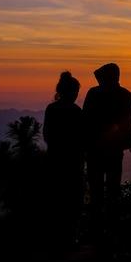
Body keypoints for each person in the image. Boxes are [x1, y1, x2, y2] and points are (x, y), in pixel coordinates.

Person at [82, 62, 131, 252]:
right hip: (114, 152)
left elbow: (85, 121)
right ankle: (112, 235)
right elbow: (130, 122)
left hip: (95, 151)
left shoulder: (94, 94)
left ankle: (97, 237)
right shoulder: (125, 95)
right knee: (113, 193)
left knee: (96, 194)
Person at [42, 70, 85, 251]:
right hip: (72, 164)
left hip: (56, 162)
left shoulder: (52, 109)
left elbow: (47, 136)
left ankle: (57, 241)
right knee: (71, 203)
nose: (76, 95)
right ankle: (68, 240)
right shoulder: (76, 112)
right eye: (75, 92)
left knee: (57, 202)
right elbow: (82, 138)